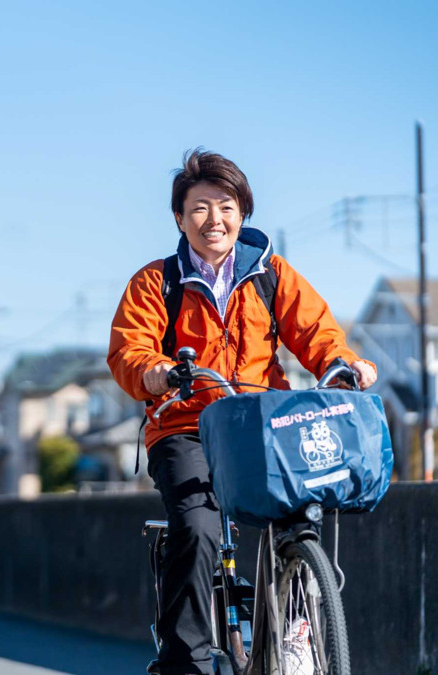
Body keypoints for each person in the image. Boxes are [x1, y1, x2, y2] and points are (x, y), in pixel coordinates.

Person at [107, 149, 376, 675]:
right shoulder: (155, 283)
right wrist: (159, 373)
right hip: (185, 425)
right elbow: (128, 352)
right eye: (201, 208)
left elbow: (317, 332)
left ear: (243, 213)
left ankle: (297, 632)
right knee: (198, 525)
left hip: (260, 422)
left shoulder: (270, 273)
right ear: (180, 219)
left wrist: (343, 364)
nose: (215, 220)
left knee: (302, 513)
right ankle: (186, 660)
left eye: (227, 206)